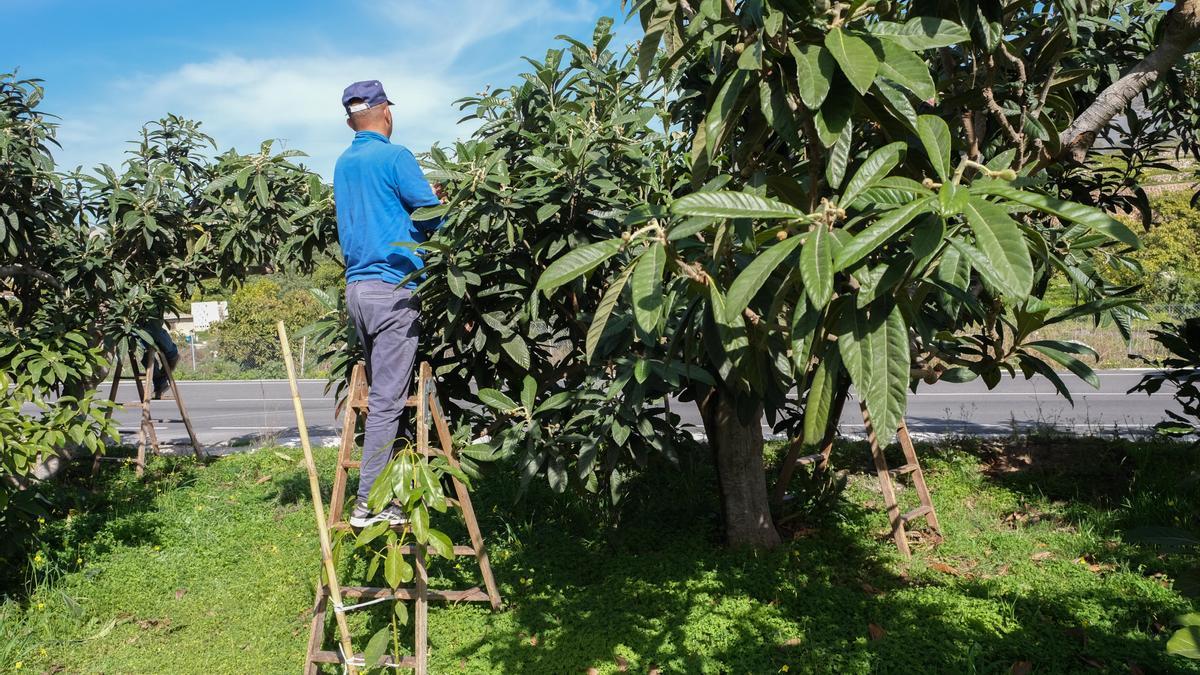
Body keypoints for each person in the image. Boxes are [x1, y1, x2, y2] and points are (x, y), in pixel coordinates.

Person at [333, 80, 443, 528]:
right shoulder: (396, 156)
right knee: (387, 401)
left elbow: (381, 211)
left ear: (349, 121)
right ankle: (370, 505)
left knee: (386, 396)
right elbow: (432, 216)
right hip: (394, 290)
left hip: (357, 293)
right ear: (386, 113)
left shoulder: (344, 163)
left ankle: (389, 494)